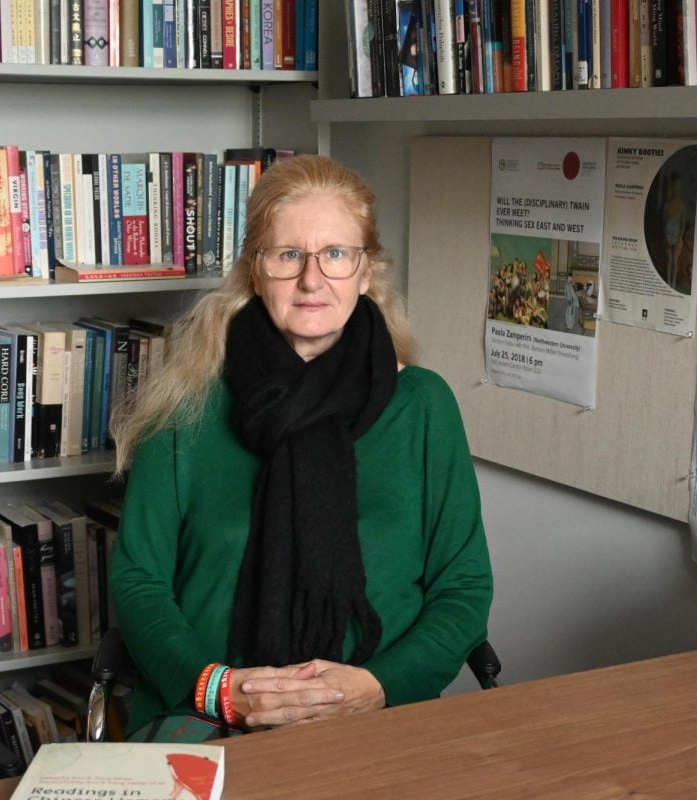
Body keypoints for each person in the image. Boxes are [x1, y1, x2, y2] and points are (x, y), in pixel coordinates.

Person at [107, 154, 494, 739]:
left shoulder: (423, 407)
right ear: (254, 271)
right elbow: (139, 581)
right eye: (288, 255)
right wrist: (216, 688)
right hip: (207, 715)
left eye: (336, 254)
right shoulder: (186, 406)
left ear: (366, 272)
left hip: (381, 720)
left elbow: (463, 587)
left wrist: (378, 686)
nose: (312, 279)